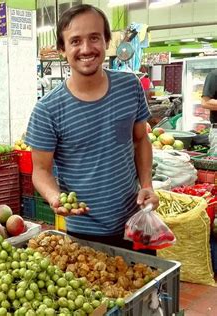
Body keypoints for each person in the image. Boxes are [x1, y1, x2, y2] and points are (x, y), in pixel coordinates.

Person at [25, 4, 159, 250]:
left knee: (146, 285)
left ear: (107, 41)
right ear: (62, 49)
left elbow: (141, 140)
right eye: (75, 41)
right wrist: (56, 198)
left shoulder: (130, 86)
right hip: (85, 232)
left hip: (136, 220)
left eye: (94, 38)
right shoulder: (47, 110)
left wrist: (147, 185)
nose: (86, 49)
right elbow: (41, 171)